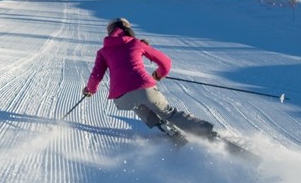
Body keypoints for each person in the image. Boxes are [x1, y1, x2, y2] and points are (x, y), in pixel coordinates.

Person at [82, 17, 217, 143]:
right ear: (129, 30)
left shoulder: (103, 51)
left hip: (122, 98)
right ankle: (207, 134)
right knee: (168, 113)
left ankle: (169, 131)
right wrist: (158, 75)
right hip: (144, 88)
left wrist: (90, 90)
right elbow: (166, 63)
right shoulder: (136, 43)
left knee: (137, 104)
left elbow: (96, 76)